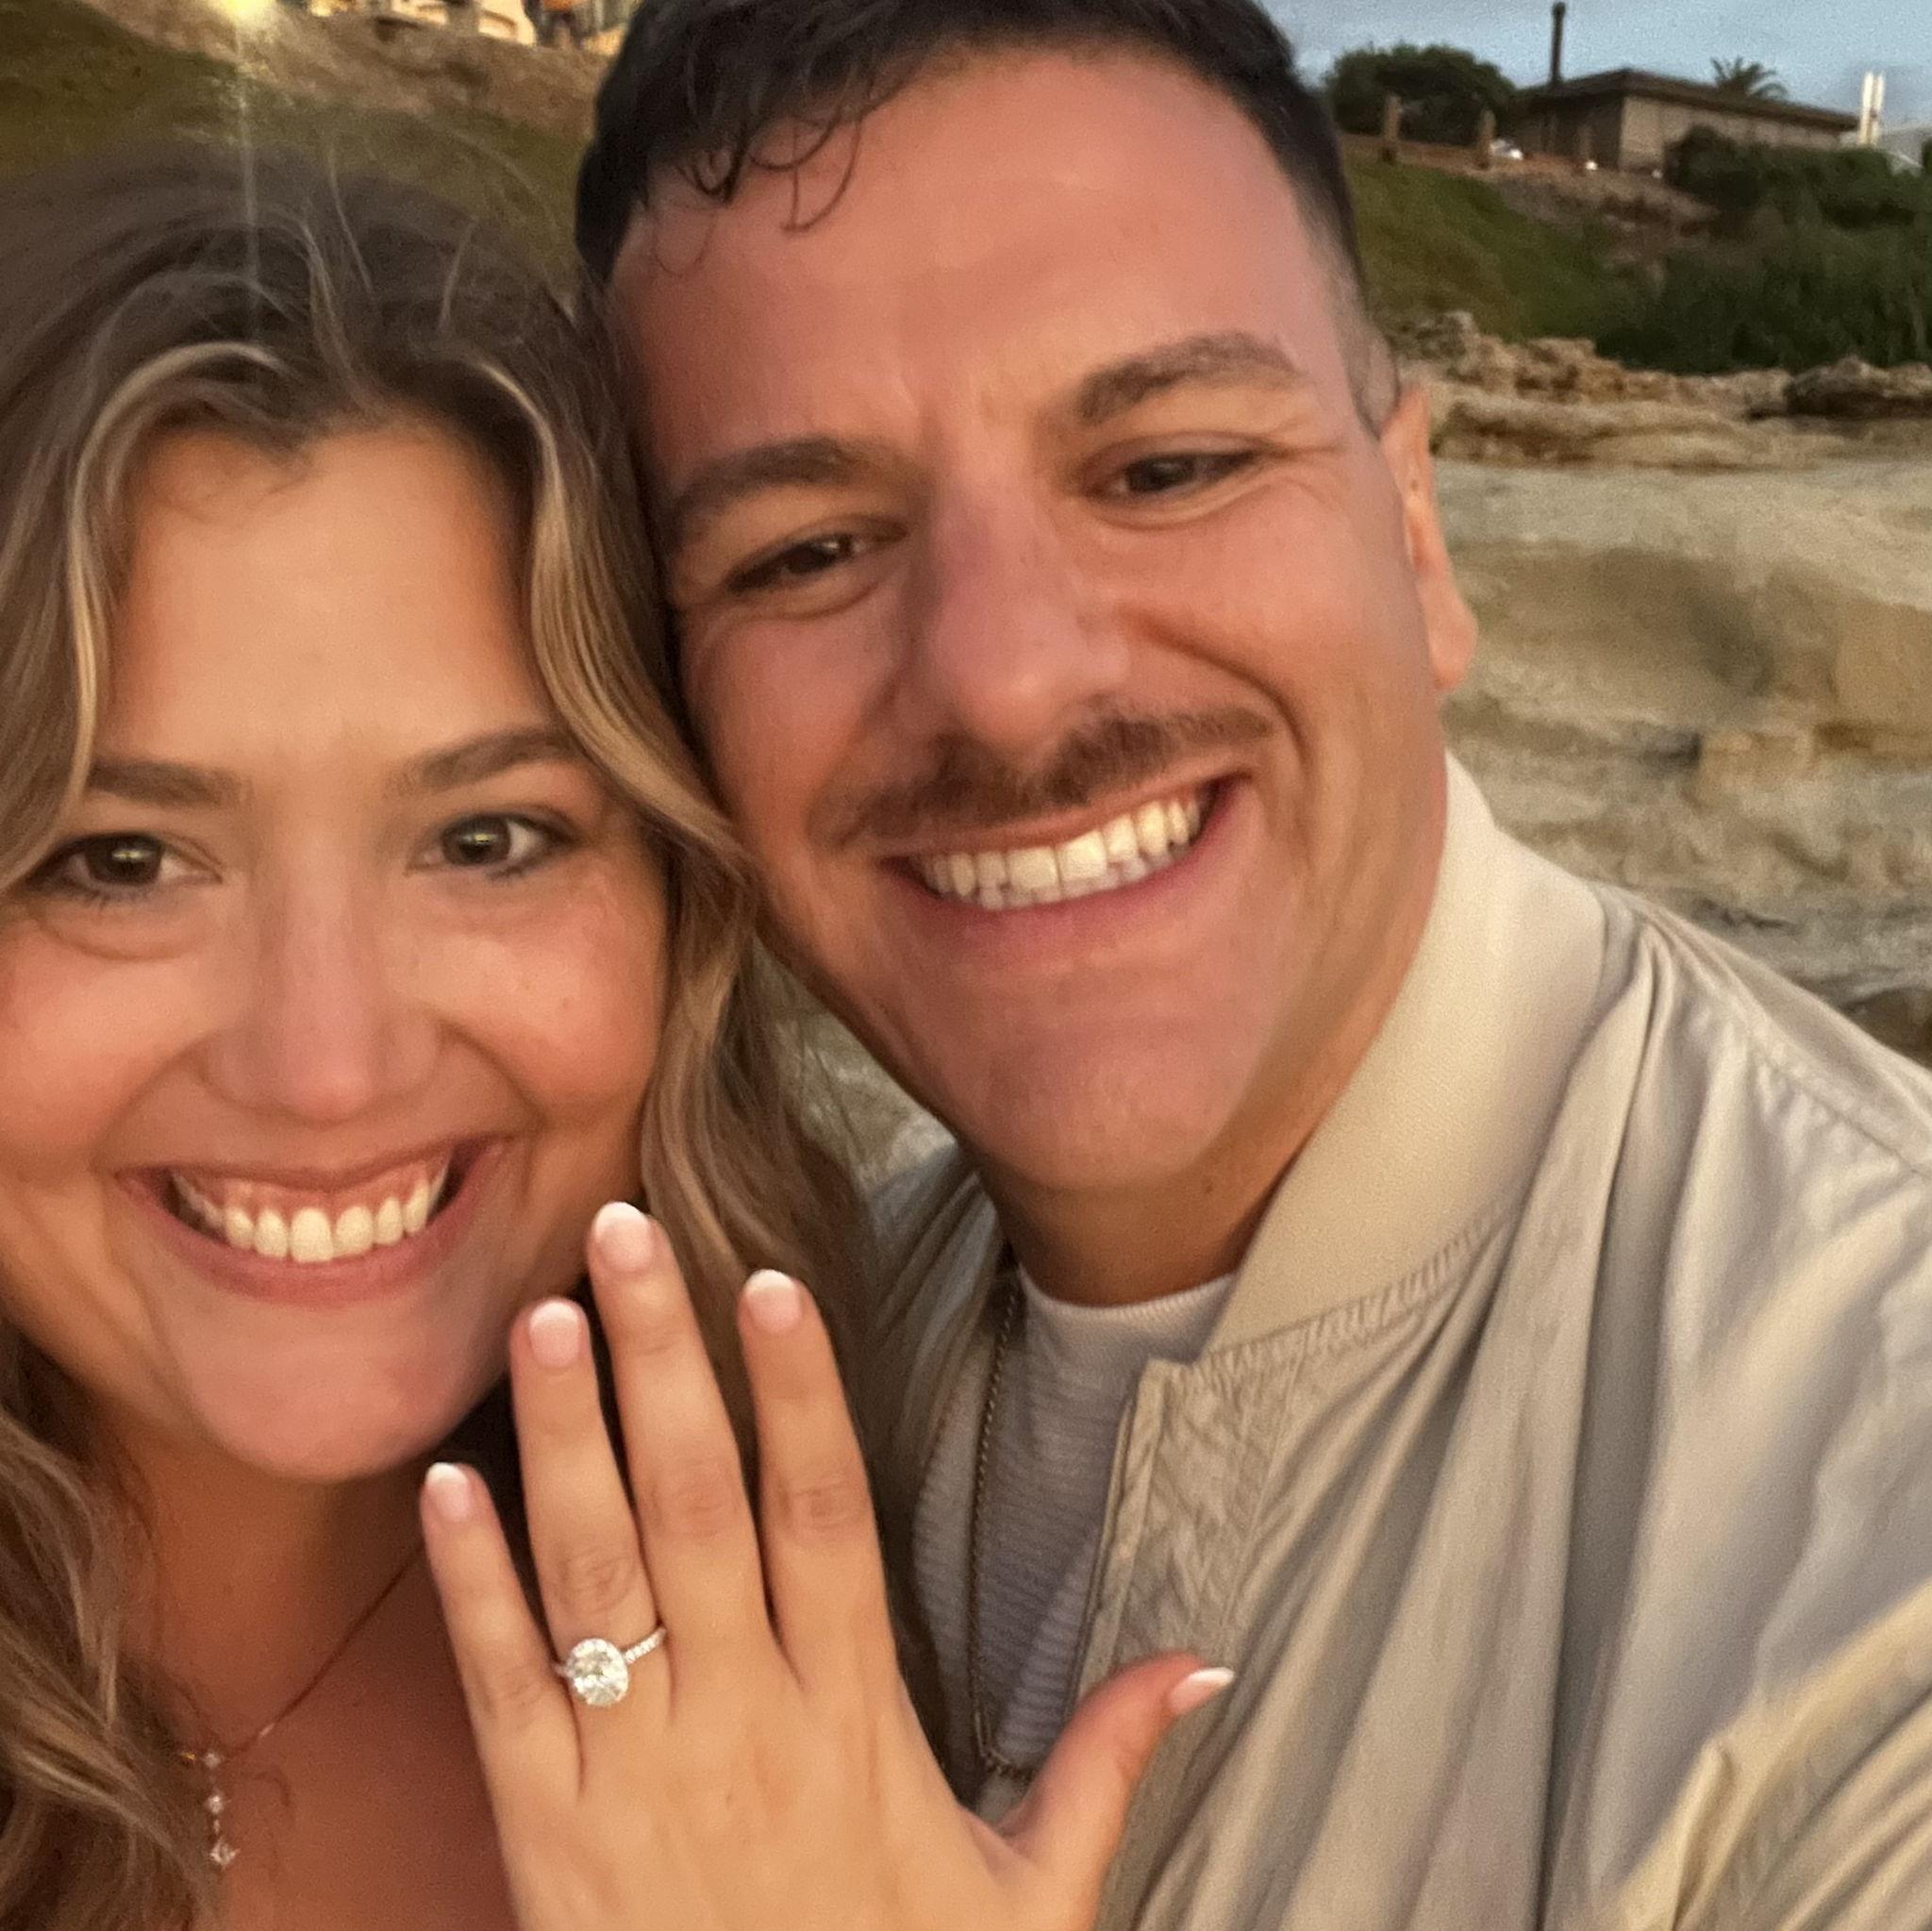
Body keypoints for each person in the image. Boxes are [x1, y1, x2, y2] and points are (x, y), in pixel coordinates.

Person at [569, 1, 1932, 1925]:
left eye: (1166, 464)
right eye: (805, 552)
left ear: (1416, 532)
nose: (1004, 674)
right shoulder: (774, 1355)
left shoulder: (1868, 1528)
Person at [0, 141, 870, 1928]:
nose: (327, 1066)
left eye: (488, 841)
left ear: (683, 913)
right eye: (121, 859)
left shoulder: (905, 1583)